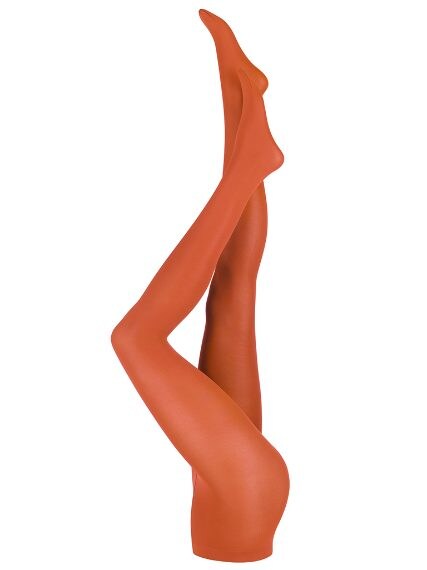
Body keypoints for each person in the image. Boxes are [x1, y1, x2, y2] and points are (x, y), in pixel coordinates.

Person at [111, 9, 290, 562]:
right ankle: (248, 149)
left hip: (243, 485)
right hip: (241, 488)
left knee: (234, 288)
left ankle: (243, 100)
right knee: (136, 339)